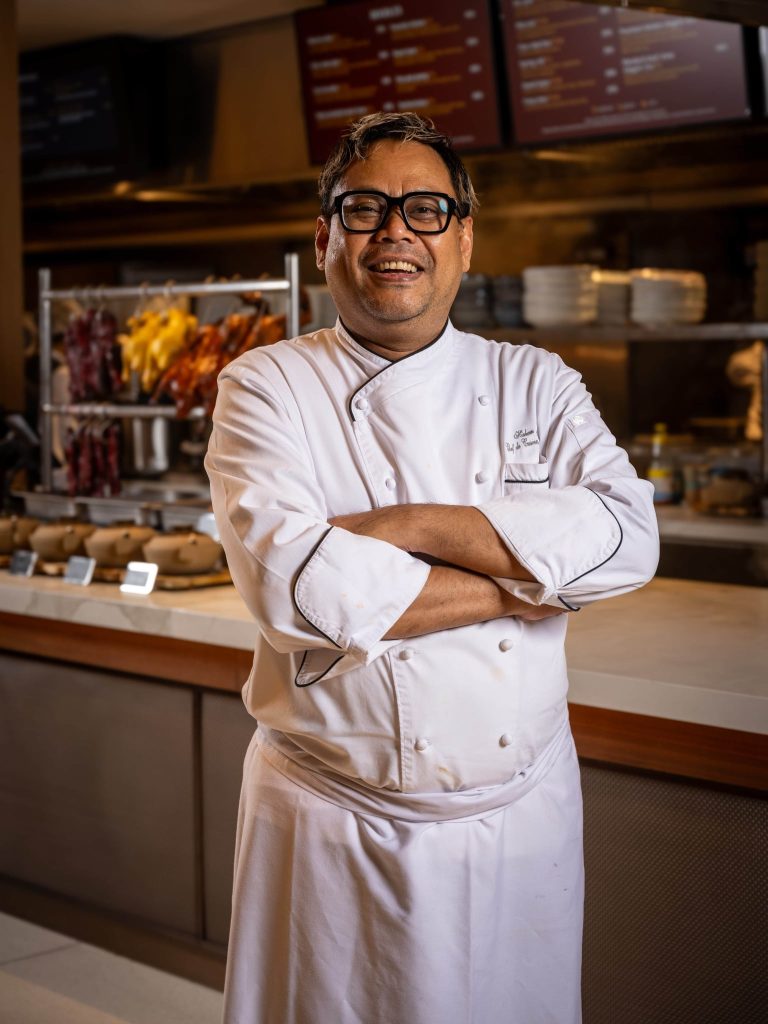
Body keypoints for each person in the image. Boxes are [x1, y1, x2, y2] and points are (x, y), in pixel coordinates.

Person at [205, 111, 659, 1024]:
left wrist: (405, 525)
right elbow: (302, 595)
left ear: (464, 239)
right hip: (333, 823)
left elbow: (628, 539)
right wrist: (527, 578)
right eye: (364, 208)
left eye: (426, 209)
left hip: (522, 820)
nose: (396, 232)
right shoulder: (264, 386)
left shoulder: (536, 380)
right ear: (326, 238)